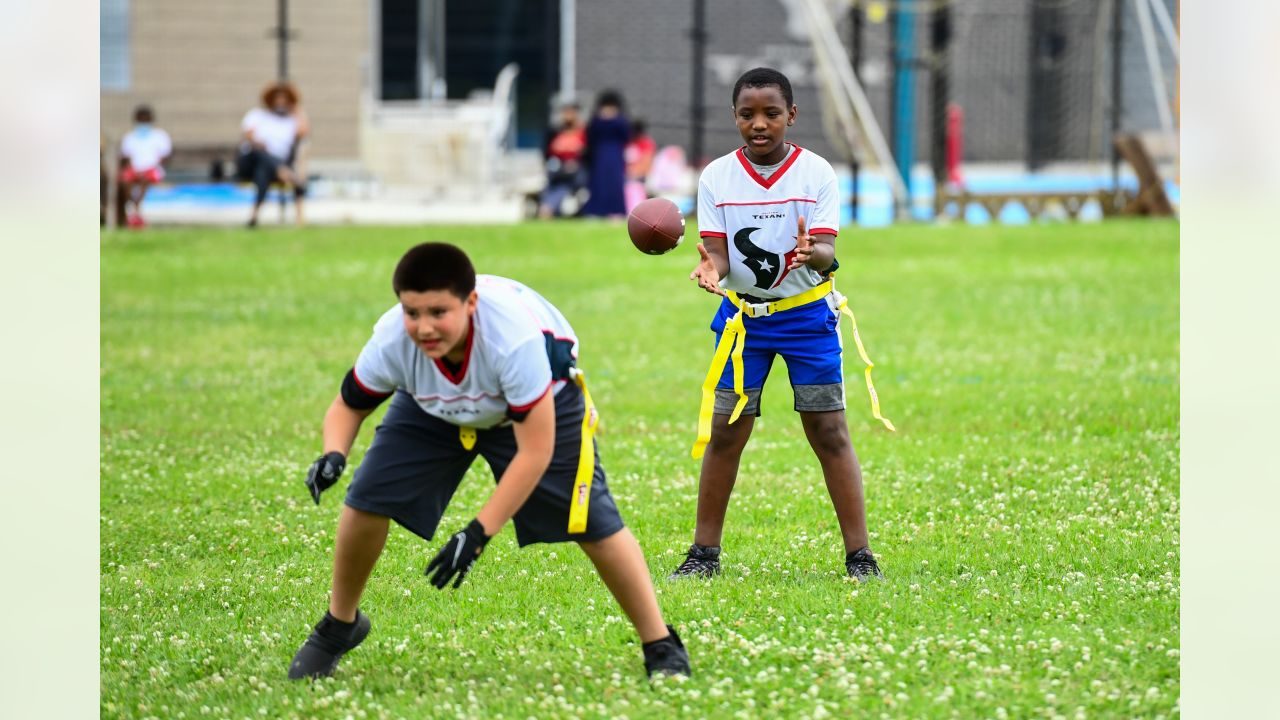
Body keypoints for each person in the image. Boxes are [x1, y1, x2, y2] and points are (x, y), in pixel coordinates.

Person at [287, 243, 691, 681]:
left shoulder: (511, 342)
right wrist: (334, 453)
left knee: (591, 521)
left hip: (538, 402)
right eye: (412, 312)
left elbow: (534, 452)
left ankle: (660, 643)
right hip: (433, 406)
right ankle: (339, 625)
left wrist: (478, 533)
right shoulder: (392, 338)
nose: (424, 327)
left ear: (470, 302)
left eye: (438, 312)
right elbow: (350, 404)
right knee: (364, 501)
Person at [671, 67, 895, 581]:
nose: (759, 123)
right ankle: (703, 555)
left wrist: (810, 251)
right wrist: (711, 268)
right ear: (734, 117)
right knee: (726, 431)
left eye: (771, 113)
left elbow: (827, 253)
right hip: (743, 322)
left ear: (791, 115)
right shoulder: (715, 177)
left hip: (806, 318)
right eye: (747, 114)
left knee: (829, 429)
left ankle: (860, 556)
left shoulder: (817, 173)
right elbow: (721, 257)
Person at [240, 81, 309, 227]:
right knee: (262, 156)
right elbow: (248, 136)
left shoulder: (290, 121)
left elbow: (303, 132)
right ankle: (286, 173)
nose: (280, 101)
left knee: (264, 171)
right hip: (250, 159)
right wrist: (261, 145)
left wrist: (297, 109)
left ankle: (254, 216)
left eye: (285, 99)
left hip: (271, 166)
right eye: (277, 98)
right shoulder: (257, 115)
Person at [117, 105, 171, 228]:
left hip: (152, 170)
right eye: (140, 120)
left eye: (145, 119)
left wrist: (146, 170)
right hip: (134, 170)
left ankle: (135, 211)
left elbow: (163, 157)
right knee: (125, 180)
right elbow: (127, 158)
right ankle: (134, 211)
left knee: (145, 179)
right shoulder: (129, 137)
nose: (143, 123)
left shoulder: (160, 136)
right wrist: (135, 170)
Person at [579, 90, 629, 218]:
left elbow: (626, 136)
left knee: (615, 184)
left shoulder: (621, 121)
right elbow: (590, 137)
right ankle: (596, 210)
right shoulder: (596, 121)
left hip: (615, 155)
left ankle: (616, 211)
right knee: (599, 183)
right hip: (599, 155)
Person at [538, 102, 587, 218]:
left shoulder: (584, 133)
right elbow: (548, 153)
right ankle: (547, 207)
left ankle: (548, 207)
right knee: (555, 181)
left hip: (577, 171)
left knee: (565, 184)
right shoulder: (555, 132)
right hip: (558, 170)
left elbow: (586, 153)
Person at [623, 119, 657, 215]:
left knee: (633, 186)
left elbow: (646, 164)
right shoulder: (626, 143)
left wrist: (634, 173)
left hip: (640, 177)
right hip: (625, 176)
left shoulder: (646, 144)